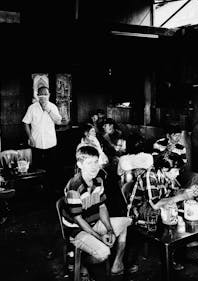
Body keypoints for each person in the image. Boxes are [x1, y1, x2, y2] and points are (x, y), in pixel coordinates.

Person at [62, 146, 137, 280]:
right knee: (104, 253)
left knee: (127, 222)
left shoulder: (98, 181)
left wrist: (109, 230)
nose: (94, 167)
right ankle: (80, 264)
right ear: (80, 164)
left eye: (96, 161)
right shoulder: (74, 187)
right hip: (76, 231)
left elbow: (102, 207)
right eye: (89, 163)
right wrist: (98, 237)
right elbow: (78, 219)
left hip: (93, 222)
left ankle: (117, 265)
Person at [22, 86, 62, 189]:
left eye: (45, 94)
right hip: (36, 142)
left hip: (50, 142)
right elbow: (25, 123)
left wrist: (48, 110)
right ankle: (38, 188)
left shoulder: (52, 107)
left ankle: (51, 187)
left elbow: (58, 121)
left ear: (49, 95)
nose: (43, 96)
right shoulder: (32, 108)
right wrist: (30, 137)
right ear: (37, 95)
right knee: (37, 167)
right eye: (41, 94)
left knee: (51, 167)